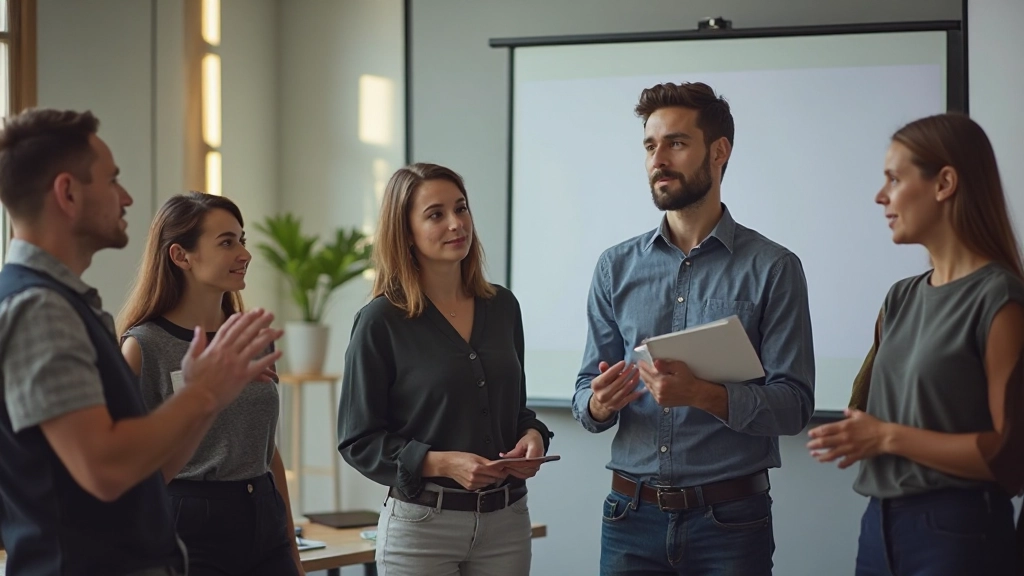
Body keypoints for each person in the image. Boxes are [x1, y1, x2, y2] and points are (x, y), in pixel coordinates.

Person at [0, 108, 281, 576]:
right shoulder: (39, 308)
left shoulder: (68, 304)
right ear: (67, 193)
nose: (126, 197)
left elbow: (149, 475)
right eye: (112, 180)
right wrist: (202, 393)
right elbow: (105, 469)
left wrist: (209, 397)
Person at [571, 82, 815, 576]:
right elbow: (583, 399)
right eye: (649, 145)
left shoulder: (774, 268)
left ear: (719, 152)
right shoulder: (613, 267)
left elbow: (794, 406)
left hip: (730, 523)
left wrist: (703, 394)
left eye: (676, 143)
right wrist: (599, 402)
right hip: (627, 517)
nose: (658, 159)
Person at [806, 113, 1024, 576]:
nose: (880, 196)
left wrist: (886, 437)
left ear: (945, 182)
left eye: (894, 178)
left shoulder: (999, 298)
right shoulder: (899, 298)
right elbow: (865, 410)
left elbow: (1010, 454)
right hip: (878, 526)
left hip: (960, 531)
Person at [338, 163, 553, 575]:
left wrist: (531, 436)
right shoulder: (380, 321)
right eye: (436, 214)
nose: (456, 224)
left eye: (462, 208)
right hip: (422, 531)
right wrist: (442, 463)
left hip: (507, 525)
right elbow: (358, 440)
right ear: (406, 233)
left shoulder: (504, 307)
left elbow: (516, 409)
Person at [117, 192, 303, 576]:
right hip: (189, 521)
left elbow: (268, 450)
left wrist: (291, 547)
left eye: (242, 240)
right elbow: (126, 460)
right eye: (226, 242)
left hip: (263, 515)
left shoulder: (251, 337)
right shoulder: (143, 347)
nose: (244, 254)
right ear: (180, 256)